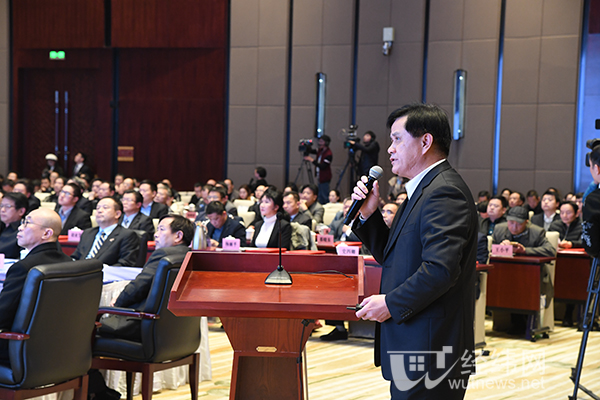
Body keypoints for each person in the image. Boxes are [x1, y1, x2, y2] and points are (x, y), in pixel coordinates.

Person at [350, 104, 477, 399]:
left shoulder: (444, 192)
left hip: (431, 348)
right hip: (416, 345)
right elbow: (395, 256)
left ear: (425, 141)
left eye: (397, 139)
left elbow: (440, 270)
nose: (390, 149)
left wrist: (390, 303)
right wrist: (368, 214)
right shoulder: (422, 191)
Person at [0, 209, 72, 363]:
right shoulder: (70, 263)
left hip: (19, 348)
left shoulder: (24, 268)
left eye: (27, 223)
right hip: (59, 348)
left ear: (47, 233)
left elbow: (2, 315)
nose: (20, 228)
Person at [71, 197, 140, 266]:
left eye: (105, 207)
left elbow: (125, 263)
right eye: (97, 208)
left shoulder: (126, 235)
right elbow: (75, 257)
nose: (99, 211)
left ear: (117, 214)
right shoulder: (87, 233)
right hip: (81, 270)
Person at [303, 135, 333, 204]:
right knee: (320, 195)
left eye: (321, 141)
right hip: (320, 176)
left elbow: (322, 166)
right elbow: (312, 151)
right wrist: (307, 146)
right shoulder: (321, 150)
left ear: (326, 142)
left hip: (325, 177)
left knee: (324, 195)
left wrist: (311, 160)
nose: (319, 143)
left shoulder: (328, 154)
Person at [0, 192, 28, 259]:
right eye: (1, 206)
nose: (2, 210)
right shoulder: (2, 225)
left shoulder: (24, 232)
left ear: (21, 211)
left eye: (8, 206)